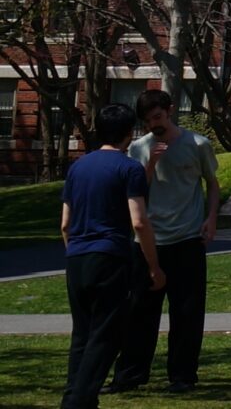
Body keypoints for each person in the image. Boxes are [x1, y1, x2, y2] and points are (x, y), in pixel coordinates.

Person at [114, 89, 221, 393]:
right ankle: (130, 375)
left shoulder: (197, 144)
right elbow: (136, 193)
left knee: (187, 312)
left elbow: (212, 185)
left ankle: (183, 375)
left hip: (187, 238)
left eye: (158, 117)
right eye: (148, 121)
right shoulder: (138, 148)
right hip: (148, 241)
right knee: (139, 312)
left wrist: (211, 218)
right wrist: (149, 164)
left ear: (170, 111)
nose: (154, 125)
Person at [59, 103, 161, 409]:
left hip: (77, 256)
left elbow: (65, 222)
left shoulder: (78, 167)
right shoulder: (129, 167)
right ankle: (77, 402)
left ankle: (77, 398)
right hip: (111, 257)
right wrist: (153, 266)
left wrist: (75, 251)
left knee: (83, 334)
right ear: (130, 134)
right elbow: (139, 221)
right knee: (107, 335)